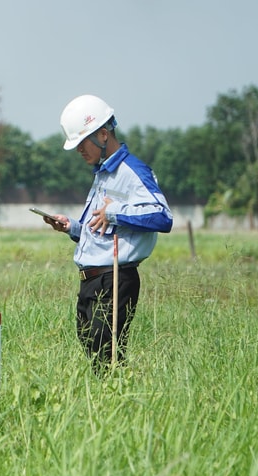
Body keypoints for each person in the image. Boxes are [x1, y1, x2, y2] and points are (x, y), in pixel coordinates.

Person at [43, 94, 173, 371]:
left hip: (115, 278)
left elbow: (163, 217)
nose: (79, 151)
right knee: (91, 346)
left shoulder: (133, 171)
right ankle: (109, 401)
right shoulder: (101, 174)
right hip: (90, 279)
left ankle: (118, 401)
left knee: (107, 353)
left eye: (82, 143)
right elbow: (101, 231)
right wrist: (72, 227)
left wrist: (116, 212)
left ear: (103, 134)